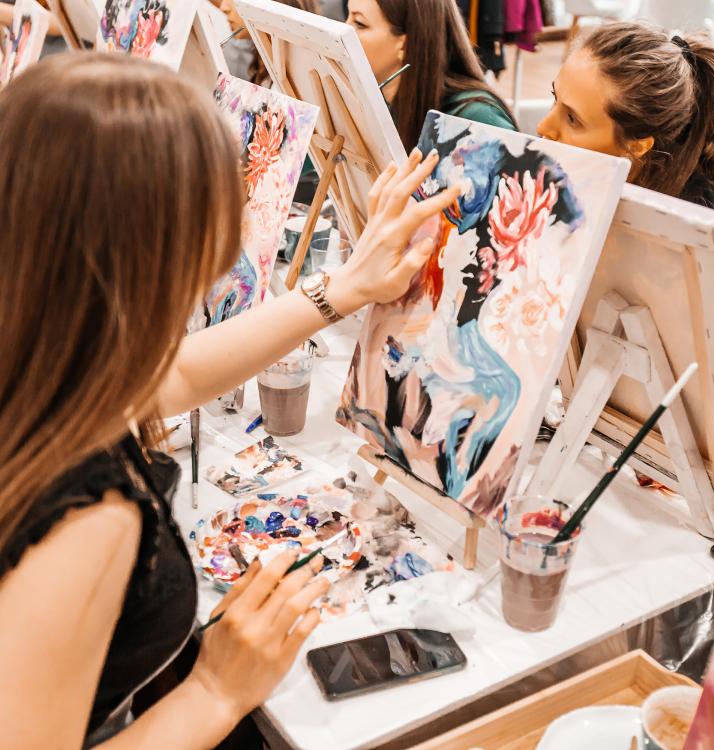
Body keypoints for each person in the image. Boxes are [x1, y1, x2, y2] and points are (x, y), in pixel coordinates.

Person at [0, 52, 460, 749]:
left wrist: (341, 289)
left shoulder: (41, 352)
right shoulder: (85, 518)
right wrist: (217, 691)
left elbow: (173, 375)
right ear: (149, 258)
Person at [537, 22, 714, 331]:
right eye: (553, 99)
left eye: (572, 118)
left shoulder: (698, 218)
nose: (544, 127)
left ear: (637, 146)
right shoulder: (575, 180)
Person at [346, 0, 516, 150]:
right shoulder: (378, 104)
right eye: (348, 17)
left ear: (405, 45)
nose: (344, 29)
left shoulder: (477, 120)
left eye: (360, 23)